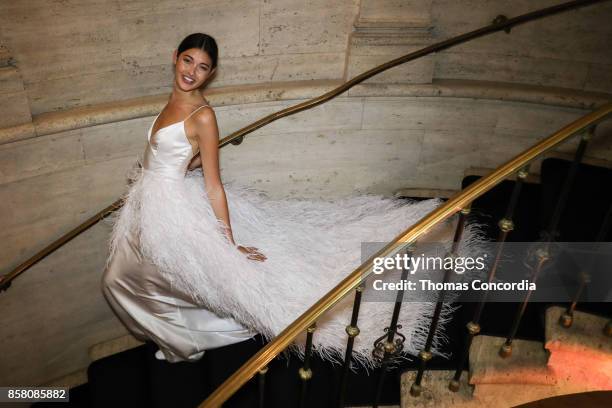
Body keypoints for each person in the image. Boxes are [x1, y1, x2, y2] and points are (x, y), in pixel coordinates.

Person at [102, 33, 475, 366]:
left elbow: (214, 184)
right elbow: (179, 153)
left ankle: (186, 342)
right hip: (152, 203)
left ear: (211, 74)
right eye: (188, 61)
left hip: (172, 210)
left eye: (202, 68)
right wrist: (176, 165)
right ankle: (187, 336)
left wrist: (229, 242)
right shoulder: (173, 99)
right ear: (175, 57)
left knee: (129, 277)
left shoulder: (203, 116)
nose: (192, 72)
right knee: (125, 277)